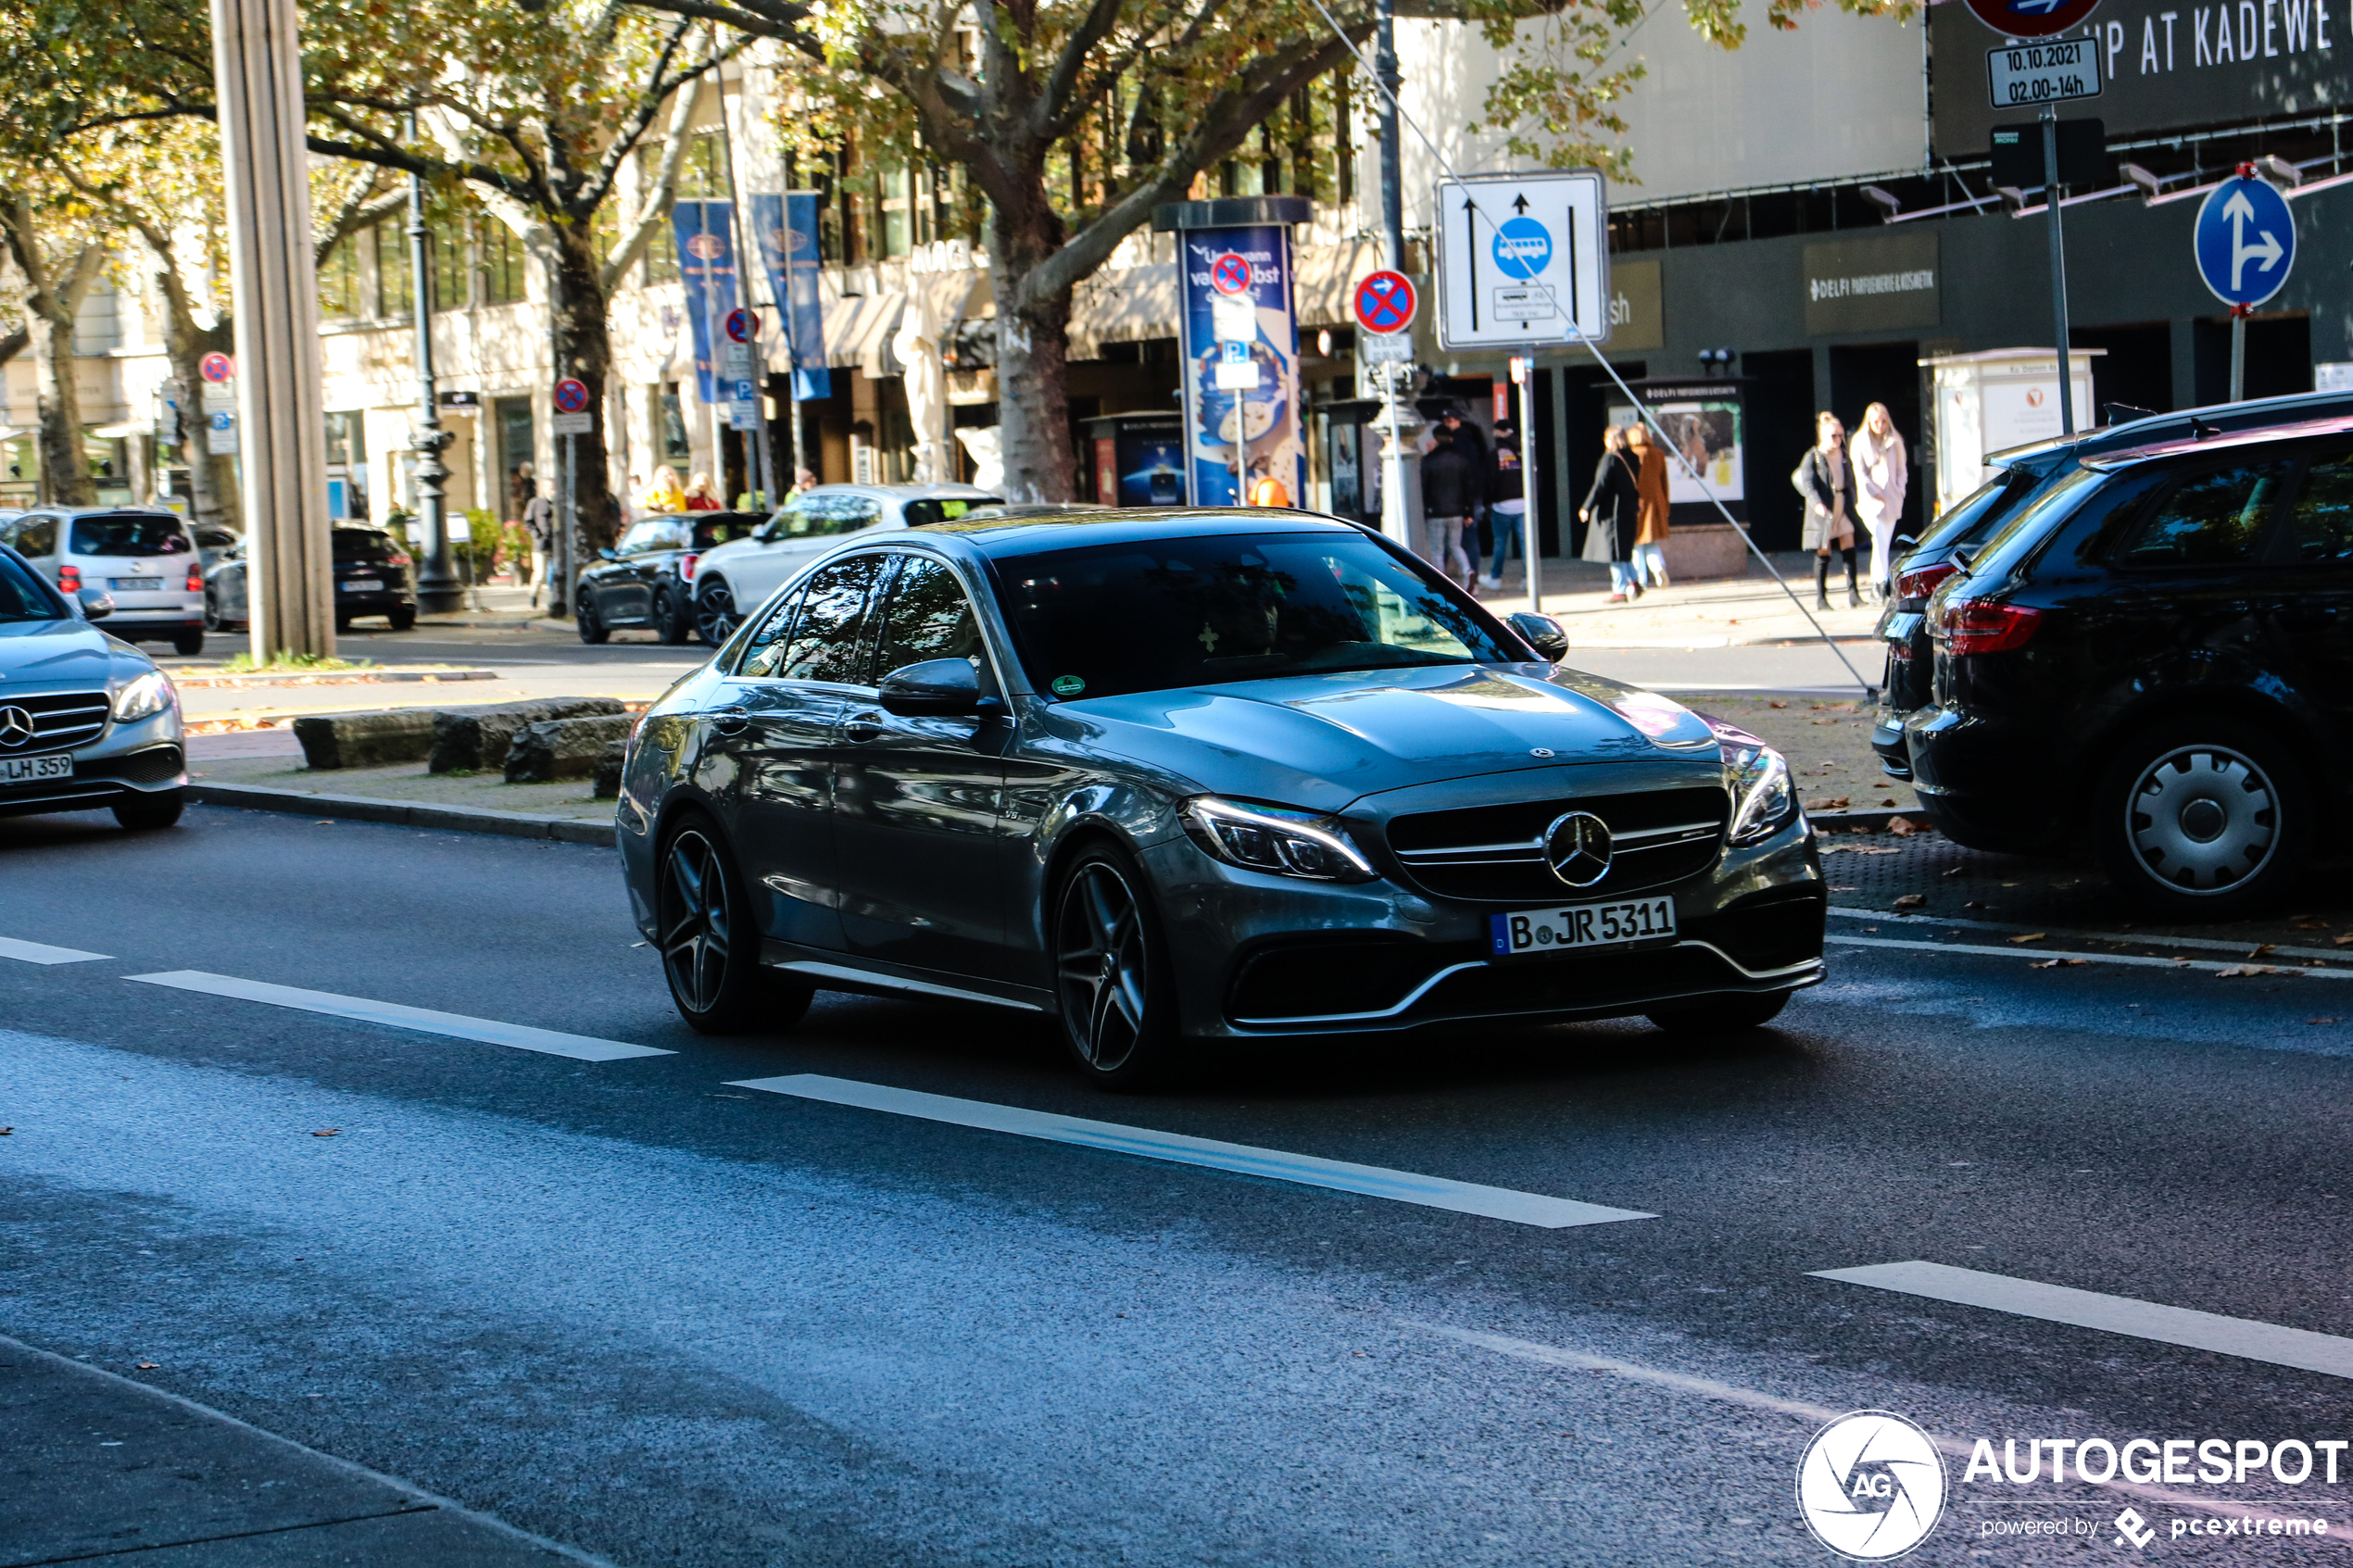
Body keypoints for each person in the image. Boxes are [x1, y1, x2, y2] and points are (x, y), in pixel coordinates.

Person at [1794, 410, 1860, 608]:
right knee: (1824, 550)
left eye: (1841, 435)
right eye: (1833, 436)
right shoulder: (1813, 456)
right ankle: (1821, 598)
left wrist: (1855, 499)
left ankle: (1853, 594)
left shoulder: (1843, 455)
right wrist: (1817, 504)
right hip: (1825, 509)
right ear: (1823, 436)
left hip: (1843, 504)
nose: (1838, 440)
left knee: (1849, 544)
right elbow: (1808, 484)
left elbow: (1850, 480)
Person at [1850, 401, 1908, 601]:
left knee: (1882, 542)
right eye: (1876, 421)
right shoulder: (1859, 441)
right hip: (1870, 500)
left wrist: (1900, 490)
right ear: (1869, 421)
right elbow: (1860, 472)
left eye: (1884, 421)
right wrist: (1874, 491)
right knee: (1879, 539)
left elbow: (1902, 469)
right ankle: (1882, 582)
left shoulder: (1895, 440)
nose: (1880, 425)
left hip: (1891, 498)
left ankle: (1879, 584)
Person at [1579, 426, 1642, 603]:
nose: (1604, 441)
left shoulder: (1610, 459)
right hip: (1629, 509)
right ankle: (1635, 582)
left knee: (1613, 551)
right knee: (1624, 550)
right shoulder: (1633, 457)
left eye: (1607, 438)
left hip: (1612, 512)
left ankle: (1619, 591)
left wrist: (1586, 507)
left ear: (1612, 440)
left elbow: (1600, 485)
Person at [1419, 429, 1478, 587]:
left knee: (1437, 549)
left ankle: (1442, 583)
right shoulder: (1461, 459)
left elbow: (1423, 488)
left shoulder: (1429, 460)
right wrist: (1468, 512)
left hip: (1435, 512)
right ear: (1451, 439)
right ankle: (1468, 571)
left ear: (1435, 440)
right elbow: (1469, 488)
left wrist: (1423, 511)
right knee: (1455, 546)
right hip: (1457, 511)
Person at [1482, 417, 1526, 592]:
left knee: (1500, 542)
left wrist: (1489, 500)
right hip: (1524, 504)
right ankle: (1528, 578)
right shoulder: (1524, 449)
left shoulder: (1495, 453)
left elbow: (1489, 480)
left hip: (1502, 506)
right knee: (1525, 544)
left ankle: (1495, 577)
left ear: (1498, 432)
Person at [1627, 422, 1671, 588]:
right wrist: (1665, 504)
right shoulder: (1658, 454)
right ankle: (1658, 568)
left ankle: (1641, 580)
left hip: (1636, 503)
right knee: (1652, 542)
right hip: (1655, 503)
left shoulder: (1629, 454)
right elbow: (1664, 481)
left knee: (1636, 544)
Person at [521, 487, 555, 607]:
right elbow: (528, 521)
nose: (553, 492)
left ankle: (554, 598)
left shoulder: (560, 503)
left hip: (555, 545)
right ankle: (533, 595)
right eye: (551, 489)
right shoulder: (536, 503)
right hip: (540, 544)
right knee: (540, 573)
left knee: (554, 572)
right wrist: (537, 534)